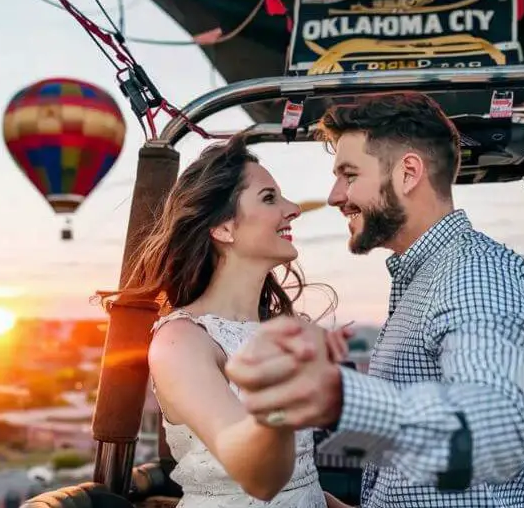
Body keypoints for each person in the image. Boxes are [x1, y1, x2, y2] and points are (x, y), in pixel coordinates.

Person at [225, 92, 524, 508]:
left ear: (408, 173)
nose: (334, 196)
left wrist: (338, 396)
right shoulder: (424, 277)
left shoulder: (475, 272)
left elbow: (493, 432)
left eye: (349, 175)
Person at [115, 134, 351, 507]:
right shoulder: (181, 341)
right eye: (269, 198)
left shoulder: (277, 328)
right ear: (223, 229)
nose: (293, 208)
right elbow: (259, 477)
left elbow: (299, 482)